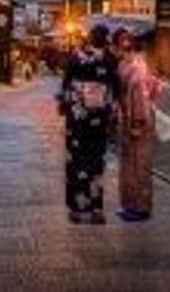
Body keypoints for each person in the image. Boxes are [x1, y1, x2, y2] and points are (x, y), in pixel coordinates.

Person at [57, 24, 118, 225]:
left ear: (91, 38)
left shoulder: (76, 57)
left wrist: (67, 105)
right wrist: (111, 114)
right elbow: (115, 92)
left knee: (75, 162)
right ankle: (96, 209)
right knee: (96, 163)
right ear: (106, 39)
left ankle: (76, 208)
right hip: (99, 119)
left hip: (77, 118)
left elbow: (66, 85)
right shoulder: (110, 60)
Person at [112, 28, 162, 222]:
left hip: (137, 119)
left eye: (121, 45)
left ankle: (141, 208)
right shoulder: (127, 63)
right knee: (128, 164)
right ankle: (130, 204)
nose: (119, 49)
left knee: (139, 164)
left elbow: (140, 96)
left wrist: (137, 122)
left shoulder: (137, 67)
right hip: (127, 116)